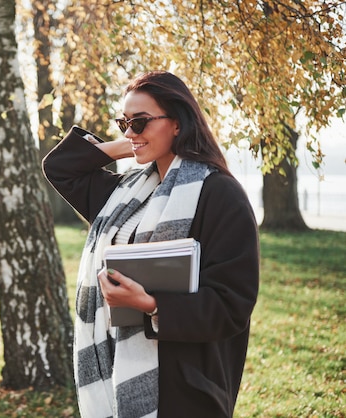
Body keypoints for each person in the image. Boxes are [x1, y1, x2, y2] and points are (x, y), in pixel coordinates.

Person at [42, 71, 259, 418]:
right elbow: (60, 167)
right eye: (123, 122)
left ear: (178, 123)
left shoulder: (219, 194)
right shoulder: (123, 194)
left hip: (183, 384)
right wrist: (135, 143)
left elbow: (233, 304)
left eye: (139, 122)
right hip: (114, 373)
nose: (129, 131)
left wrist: (150, 304)